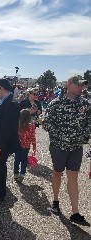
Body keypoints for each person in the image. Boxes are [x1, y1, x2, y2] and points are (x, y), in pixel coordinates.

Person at [43, 76, 91, 225]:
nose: (80, 88)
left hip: (76, 148)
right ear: (69, 85)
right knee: (57, 173)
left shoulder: (85, 104)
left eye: (82, 85)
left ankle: (75, 212)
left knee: (73, 177)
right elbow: (46, 123)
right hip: (58, 147)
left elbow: (89, 124)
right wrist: (61, 136)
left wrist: (83, 137)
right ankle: (56, 201)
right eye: (78, 85)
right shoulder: (55, 103)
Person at [14, 109, 36, 182]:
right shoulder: (31, 126)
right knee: (24, 160)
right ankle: (22, 174)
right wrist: (34, 147)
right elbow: (33, 137)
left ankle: (16, 174)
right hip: (26, 146)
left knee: (16, 160)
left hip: (17, 145)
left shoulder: (17, 125)